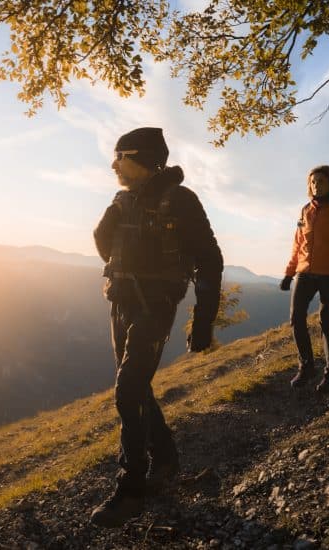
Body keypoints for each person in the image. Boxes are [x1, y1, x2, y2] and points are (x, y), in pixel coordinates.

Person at [90, 127, 223, 527]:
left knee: (128, 387)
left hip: (155, 303)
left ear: (143, 158)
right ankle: (164, 458)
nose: (113, 163)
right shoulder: (122, 199)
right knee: (138, 385)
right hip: (121, 301)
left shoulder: (180, 201)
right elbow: (101, 238)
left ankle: (131, 487)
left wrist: (203, 320)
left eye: (120, 155)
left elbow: (210, 260)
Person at [280, 165, 329, 392]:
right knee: (296, 319)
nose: (316, 186)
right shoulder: (306, 210)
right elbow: (298, 245)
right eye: (313, 182)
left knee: (327, 322)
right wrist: (288, 273)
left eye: (321, 181)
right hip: (304, 273)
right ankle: (306, 367)